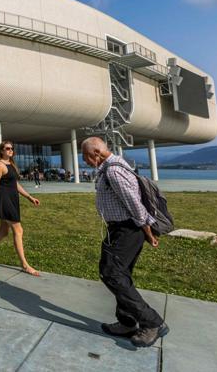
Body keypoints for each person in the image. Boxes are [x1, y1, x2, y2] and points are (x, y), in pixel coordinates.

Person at [81, 136, 168, 348]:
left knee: (111, 273)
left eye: (85, 157)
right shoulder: (111, 169)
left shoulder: (114, 171)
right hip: (121, 229)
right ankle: (127, 322)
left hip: (127, 229)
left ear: (96, 153)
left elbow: (135, 205)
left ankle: (152, 322)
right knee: (121, 275)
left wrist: (147, 230)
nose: (85, 162)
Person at [0, 140, 40, 275]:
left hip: (12, 199)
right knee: (18, 230)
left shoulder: (11, 164)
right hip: (4, 200)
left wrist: (29, 197)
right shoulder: (0, 165)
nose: (10, 150)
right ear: (1, 151)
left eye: (12, 148)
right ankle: (25, 265)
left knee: (3, 231)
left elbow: (15, 185)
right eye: (7, 148)